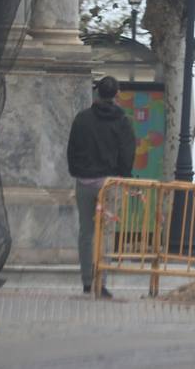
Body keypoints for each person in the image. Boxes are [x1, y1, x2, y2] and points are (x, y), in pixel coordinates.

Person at [67, 75, 136, 297]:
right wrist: (123, 176)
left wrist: (77, 171)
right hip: (110, 184)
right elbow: (127, 153)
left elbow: (72, 150)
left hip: (84, 182)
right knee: (106, 233)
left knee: (86, 231)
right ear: (117, 94)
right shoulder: (123, 121)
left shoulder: (82, 119)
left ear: (96, 92)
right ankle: (101, 282)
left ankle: (87, 281)